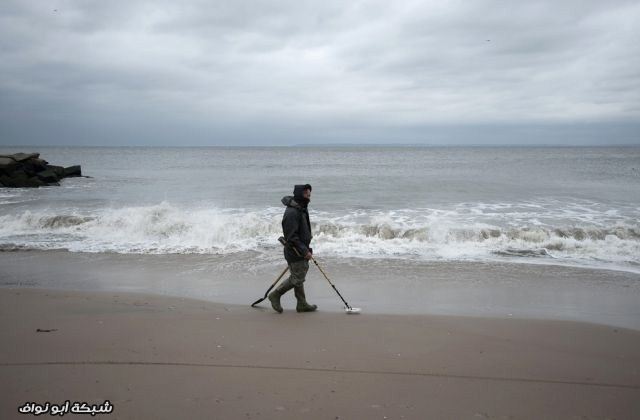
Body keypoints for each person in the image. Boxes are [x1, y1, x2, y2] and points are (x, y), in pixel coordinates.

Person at [268, 184, 318, 313]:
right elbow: (292, 237)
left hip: (299, 248)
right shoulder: (292, 212)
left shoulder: (301, 208)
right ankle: (275, 294)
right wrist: (304, 250)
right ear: (300, 194)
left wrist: (306, 247)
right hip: (295, 250)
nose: (309, 196)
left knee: (297, 275)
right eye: (307, 193)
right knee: (297, 278)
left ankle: (301, 304)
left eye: (310, 193)